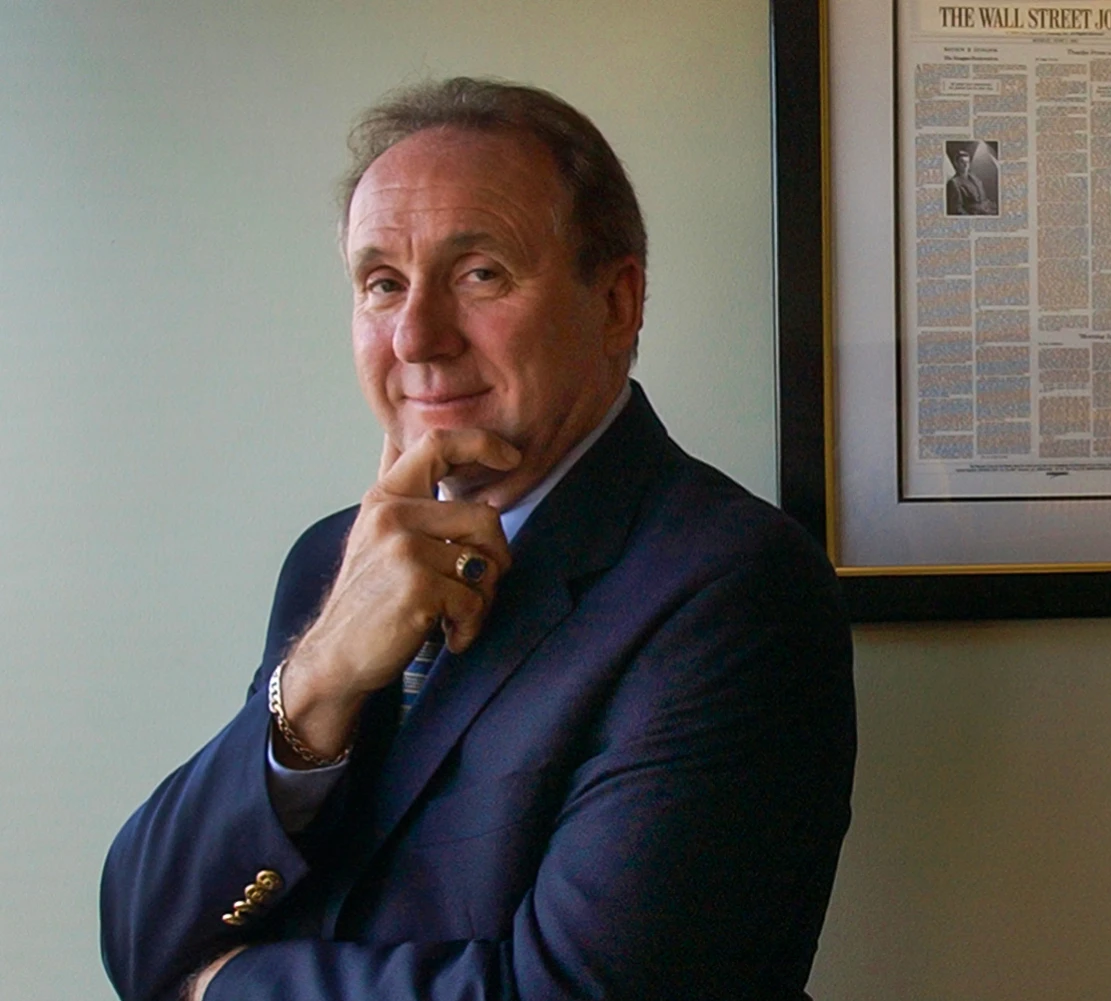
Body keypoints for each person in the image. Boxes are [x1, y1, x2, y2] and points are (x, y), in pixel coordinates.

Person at [99, 77, 855, 1001]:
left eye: (479, 273)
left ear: (616, 303)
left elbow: (581, 990)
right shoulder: (335, 561)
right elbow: (141, 936)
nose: (417, 337)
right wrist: (321, 672)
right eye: (383, 283)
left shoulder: (734, 587)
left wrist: (230, 989)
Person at [945, 143, 996, 216]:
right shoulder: (954, 183)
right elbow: (957, 209)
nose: (965, 165)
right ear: (956, 164)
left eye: (967, 162)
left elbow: (984, 199)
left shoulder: (975, 179)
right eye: (962, 162)